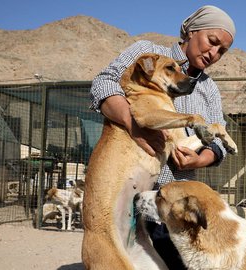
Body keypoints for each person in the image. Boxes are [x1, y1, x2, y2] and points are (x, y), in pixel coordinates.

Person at [89, 5, 236, 269]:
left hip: (177, 210)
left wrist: (200, 160)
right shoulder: (147, 54)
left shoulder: (209, 89)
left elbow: (218, 144)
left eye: (222, 51)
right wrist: (132, 124)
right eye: (212, 42)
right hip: (135, 195)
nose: (214, 53)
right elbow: (103, 83)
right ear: (191, 31)